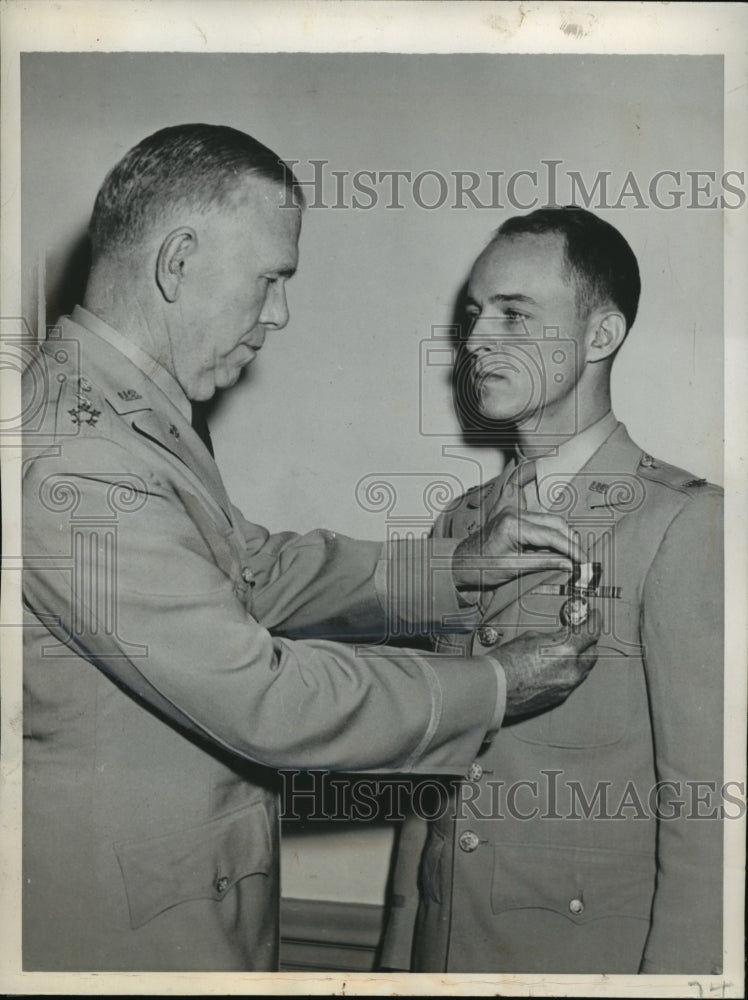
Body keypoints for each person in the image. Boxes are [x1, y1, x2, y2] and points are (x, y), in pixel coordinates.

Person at [21, 126, 600, 972]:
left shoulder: (121, 411)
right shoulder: (76, 453)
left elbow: (253, 570)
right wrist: (497, 683)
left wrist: (454, 570)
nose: (280, 314)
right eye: (272, 279)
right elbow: (267, 699)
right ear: (178, 262)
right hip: (129, 935)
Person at [379, 206, 723, 975]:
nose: (474, 343)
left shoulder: (682, 525)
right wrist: (398, 963)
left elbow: (709, 817)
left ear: (600, 336)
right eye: (474, 315)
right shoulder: (460, 525)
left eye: (515, 314)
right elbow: (435, 781)